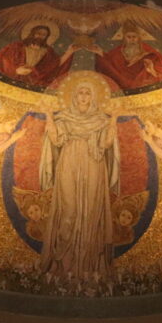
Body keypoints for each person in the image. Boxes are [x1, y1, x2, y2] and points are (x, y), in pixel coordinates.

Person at [38, 81, 120, 278]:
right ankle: (64, 263)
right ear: (74, 97)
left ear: (93, 97)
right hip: (69, 163)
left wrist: (114, 119)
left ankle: (88, 265)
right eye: (80, 92)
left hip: (93, 164)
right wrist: (48, 115)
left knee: (91, 211)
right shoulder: (64, 118)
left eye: (87, 93)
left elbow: (107, 143)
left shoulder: (101, 120)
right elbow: (55, 140)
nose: (83, 96)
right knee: (68, 209)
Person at [0, 24, 77, 87]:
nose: (40, 36)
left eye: (44, 35)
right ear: (32, 33)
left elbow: (54, 65)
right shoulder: (17, 46)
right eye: (38, 33)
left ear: (46, 37)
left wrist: (69, 51)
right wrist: (16, 70)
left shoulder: (48, 51)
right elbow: (5, 60)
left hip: (35, 82)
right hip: (14, 79)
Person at [93, 22, 162, 90]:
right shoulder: (118, 51)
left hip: (141, 84)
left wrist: (152, 70)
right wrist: (100, 53)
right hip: (124, 83)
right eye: (129, 37)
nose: (132, 39)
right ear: (124, 38)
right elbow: (109, 61)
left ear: (138, 38)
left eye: (134, 37)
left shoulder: (150, 53)